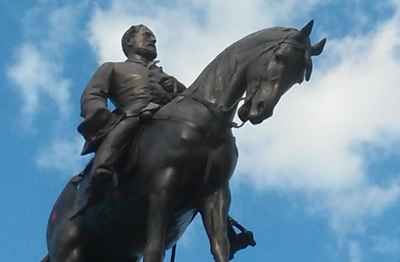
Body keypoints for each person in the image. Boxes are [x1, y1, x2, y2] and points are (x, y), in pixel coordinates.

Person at [77, 24, 186, 204]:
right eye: (147, 35)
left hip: (169, 118)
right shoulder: (113, 68)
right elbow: (93, 93)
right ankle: (102, 169)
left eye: (153, 37)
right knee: (126, 126)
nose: (153, 40)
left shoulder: (165, 76)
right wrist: (98, 112)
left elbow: (193, 103)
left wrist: (179, 89)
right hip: (134, 113)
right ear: (129, 41)